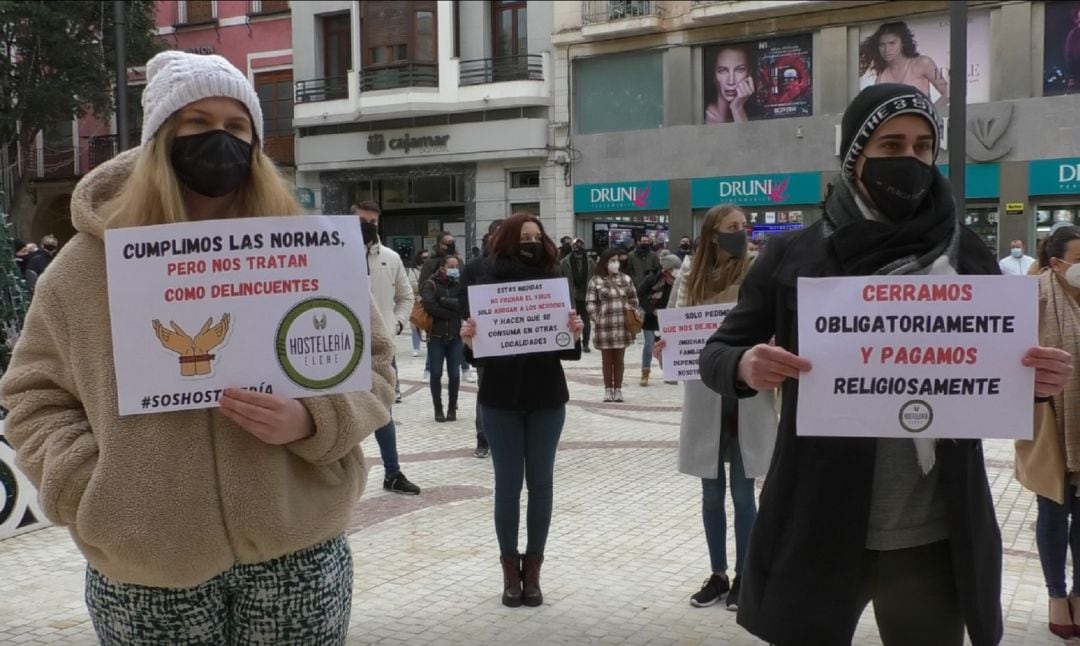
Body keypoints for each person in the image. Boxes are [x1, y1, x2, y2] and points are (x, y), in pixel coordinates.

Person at [0, 50, 398, 645]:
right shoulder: (84, 268)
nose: (221, 139)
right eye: (198, 123)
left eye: (237, 126)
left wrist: (312, 418)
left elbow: (374, 365)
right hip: (146, 566)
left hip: (296, 549)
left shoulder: (304, 251)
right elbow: (33, 396)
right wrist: (92, 489)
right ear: (162, 137)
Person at [698, 84, 1073, 645]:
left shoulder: (965, 253)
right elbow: (716, 353)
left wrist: (1035, 383)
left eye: (923, 147)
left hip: (934, 536)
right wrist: (746, 364)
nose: (910, 160)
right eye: (891, 144)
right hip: (819, 522)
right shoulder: (797, 255)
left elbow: (994, 374)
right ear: (855, 156)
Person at [459, 213, 584, 608]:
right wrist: (469, 339)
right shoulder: (485, 283)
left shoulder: (554, 280)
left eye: (537, 235)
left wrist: (575, 331)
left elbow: (565, 348)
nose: (532, 242)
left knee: (542, 485)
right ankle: (510, 571)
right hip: (500, 399)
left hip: (547, 396)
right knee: (508, 487)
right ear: (509, 240)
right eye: (524, 236)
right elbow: (477, 356)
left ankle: (534, 572)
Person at [658, 204, 777, 611]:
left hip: (747, 394)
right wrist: (665, 348)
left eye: (743, 226)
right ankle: (718, 574)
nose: (740, 233)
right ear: (712, 234)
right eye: (731, 227)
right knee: (711, 495)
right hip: (707, 395)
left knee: (744, 495)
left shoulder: (758, 272)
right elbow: (675, 329)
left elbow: (773, 323)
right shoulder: (690, 277)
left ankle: (747, 575)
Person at [1015, 225, 1080, 638]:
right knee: (1054, 510)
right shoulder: (1030, 298)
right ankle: (1057, 595)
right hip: (1047, 421)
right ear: (1056, 264)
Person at [352, 201, 421, 496]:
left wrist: (396, 326)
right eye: (361, 221)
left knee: (384, 412)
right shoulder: (330, 254)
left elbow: (406, 297)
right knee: (342, 412)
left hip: (380, 350)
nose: (368, 226)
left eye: (372, 222)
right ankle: (339, 477)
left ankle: (392, 472)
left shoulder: (390, 258)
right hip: (343, 349)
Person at [461, 219, 504, 458]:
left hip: (515, 341)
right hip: (485, 340)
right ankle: (483, 439)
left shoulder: (522, 265)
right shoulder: (475, 267)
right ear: (488, 237)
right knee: (485, 390)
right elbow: (463, 300)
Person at [587, 247, 641, 402]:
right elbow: (590, 302)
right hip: (605, 327)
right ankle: (607, 389)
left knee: (619, 359)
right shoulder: (596, 280)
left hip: (622, 326)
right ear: (605, 262)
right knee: (606, 360)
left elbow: (634, 300)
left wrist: (631, 312)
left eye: (617, 260)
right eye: (612, 260)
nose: (615, 263)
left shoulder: (626, 279)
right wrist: (597, 318)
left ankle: (618, 389)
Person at [859, 21, 948, 108]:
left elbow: (948, 92)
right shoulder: (880, 80)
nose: (886, 49)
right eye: (882, 45)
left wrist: (931, 113)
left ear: (902, 43)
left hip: (923, 119)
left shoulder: (923, 63)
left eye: (892, 43)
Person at [421, 255, 466, 423]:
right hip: (436, 337)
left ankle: (452, 407)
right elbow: (430, 305)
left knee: (455, 375)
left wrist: (443, 302)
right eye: (451, 266)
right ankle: (438, 408)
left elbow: (463, 305)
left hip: (455, 337)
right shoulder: (431, 284)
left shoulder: (460, 284)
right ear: (442, 267)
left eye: (457, 266)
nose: (455, 269)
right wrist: (451, 312)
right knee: (436, 374)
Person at [638, 253, 681, 386]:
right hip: (651, 318)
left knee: (666, 345)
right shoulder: (652, 278)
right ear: (666, 269)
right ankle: (645, 373)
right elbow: (640, 293)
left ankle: (669, 374)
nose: (676, 272)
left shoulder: (676, 282)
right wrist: (651, 310)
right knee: (649, 344)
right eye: (673, 269)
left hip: (667, 318)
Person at [704, 45, 759, 124]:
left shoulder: (760, 113)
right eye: (722, 71)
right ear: (714, 76)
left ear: (749, 74)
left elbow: (747, 136)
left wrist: (737, 108)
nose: (731, 81)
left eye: (739, 70)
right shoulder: (707, 115)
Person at [560, 238, 595, 353]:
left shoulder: (590, 262)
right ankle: (575, 342)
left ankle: (585, 343)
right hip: (571, 295)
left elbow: (596, 277)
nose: (578, 247)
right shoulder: (565, 262)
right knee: (572, 320)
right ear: (572, 247)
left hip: (586, 296)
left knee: (586, 321)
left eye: (580, 245)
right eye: (576, 245)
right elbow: (560, 278)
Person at [408, 251, 429, 357]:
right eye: (424, 257)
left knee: (430, 323)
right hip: (417, 299)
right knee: (416, 323)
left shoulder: (431, 268)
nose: (426, 259)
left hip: (430, 298)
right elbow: (412, 284)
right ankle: (416, 348)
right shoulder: (413, 270)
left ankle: (430, 345)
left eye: (428, 257)